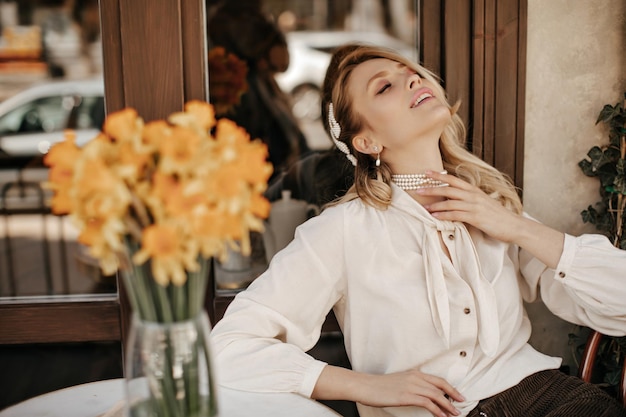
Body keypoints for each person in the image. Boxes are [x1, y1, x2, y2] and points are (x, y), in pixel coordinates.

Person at [210, 43, 626, 417]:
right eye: (383, 87)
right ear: (367, 142)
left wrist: (514, 226)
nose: (411, 79)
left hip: (544, 398)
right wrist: (369, 387)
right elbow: (228, 347)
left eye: (409, 72)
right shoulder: (341, 231)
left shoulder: (490, 205)